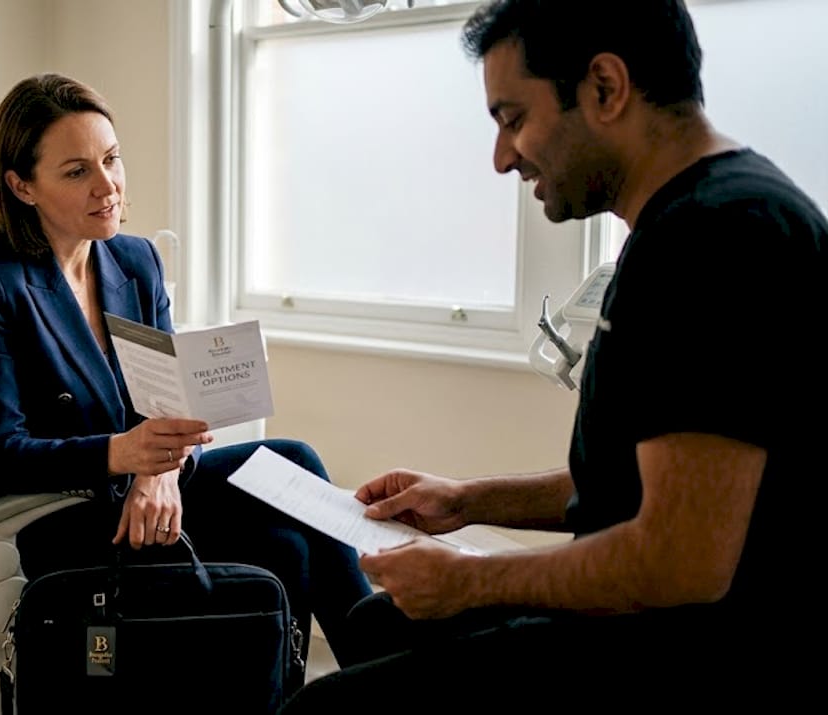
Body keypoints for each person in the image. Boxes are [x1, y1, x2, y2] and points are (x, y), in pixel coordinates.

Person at [281, 0, 826, 709]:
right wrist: (467, 500)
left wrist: (471, 580)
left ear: (605, 88)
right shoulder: (689, 220)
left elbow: (680, 562)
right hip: (649, 618)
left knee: (318, 712)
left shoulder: (719, 238)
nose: (504, 157)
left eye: (513, 119)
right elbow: (638, 480)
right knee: (374, 620)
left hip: (693, 650)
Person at [0, 73, 373, 671]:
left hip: (136, 486)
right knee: (284, 545)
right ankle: (378, 669)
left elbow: (162, 403)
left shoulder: (135, 259)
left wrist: (157, 477)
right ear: (21, 185)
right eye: (76, 171)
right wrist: (123, 456)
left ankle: (365, 671)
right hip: (53, 509)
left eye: (111, 159)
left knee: (291, 469)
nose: (107, 185)